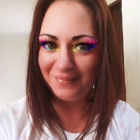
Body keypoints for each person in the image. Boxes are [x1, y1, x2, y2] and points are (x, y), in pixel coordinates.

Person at [0, 0, 139, 139]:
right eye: (50, 44)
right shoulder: (8, 124)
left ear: (104, 53)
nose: (63, 64)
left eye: (82, 46)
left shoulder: (128, 122)